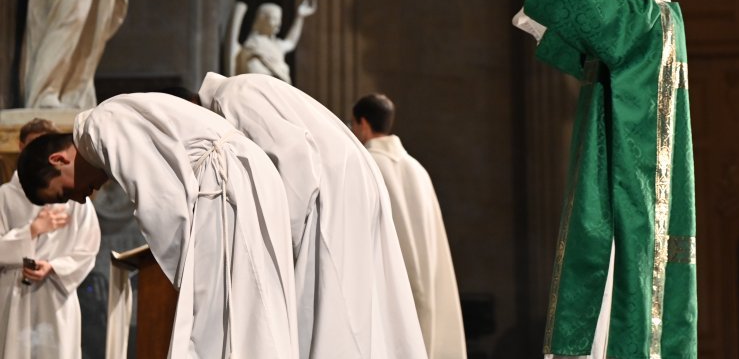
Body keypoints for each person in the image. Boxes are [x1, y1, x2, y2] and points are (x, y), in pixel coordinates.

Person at [512, 0, 697, 359]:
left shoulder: (647, 15)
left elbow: (592, 12)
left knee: (618, 302)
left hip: (629, 197)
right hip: (629, 190)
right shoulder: (637, 28)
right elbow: (581, 30)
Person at [17, 93, 299, 359]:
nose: (78, 200)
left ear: (59, 159)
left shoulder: (101, 126)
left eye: (64, 193)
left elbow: (159, 201)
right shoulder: (105, 124)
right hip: (242, 179)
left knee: (223, 313)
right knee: (247, 304)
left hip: (224, 186)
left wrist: (185, 279)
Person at [197, 72, 427, 359]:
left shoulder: (231, 97)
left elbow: (293, 159)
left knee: (333, 310)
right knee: (360, 306)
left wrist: (279, 239)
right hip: (344, 182)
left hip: (331, 192)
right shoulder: (244, 87)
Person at [351, 93, 467, 359]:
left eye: (353, 124)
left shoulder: (364, 166)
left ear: (363, 124)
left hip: (384, 294)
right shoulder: (418, 169)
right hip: (425, 287)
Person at [0, 119, 100, 359]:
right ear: (21, 147)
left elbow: (88, 248)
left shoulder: (74, 196)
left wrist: (54, 267)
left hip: (56, 292)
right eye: (34, 146)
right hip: (13, 293)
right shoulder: (4, 195)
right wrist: (31, 231)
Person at [235, 0, 317, 83]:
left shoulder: (277, 44)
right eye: (274, 19)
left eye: (279, 19)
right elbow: (251, 69)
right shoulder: (254, 44)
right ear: (262, 20)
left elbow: (290, 42)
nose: (278, 23)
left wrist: (300, 17)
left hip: (281, 88)